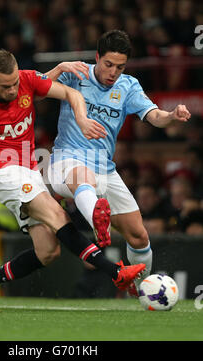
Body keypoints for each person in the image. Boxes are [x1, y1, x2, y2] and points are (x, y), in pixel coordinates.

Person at [0, 49, 145, 310]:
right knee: (59, 217)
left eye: (14, 84)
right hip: (3, 173)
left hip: (30, 171)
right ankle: (115, 273)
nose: (12, 90)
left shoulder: (26, 80)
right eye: (5, 86)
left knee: (48, 252)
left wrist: (81, 117)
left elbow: (71, 93)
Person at [46, 30, 191, 296]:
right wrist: (58, 68)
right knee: (82, 177)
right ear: (97, 58)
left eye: (120, 67)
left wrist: (171, 115)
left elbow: (154, 115)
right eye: (108, 64)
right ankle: (97, 221)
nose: (113, 72)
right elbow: (31, 89)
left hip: (105, 170)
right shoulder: (75, 73)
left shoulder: (128, 86)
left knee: (139, 236)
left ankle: (141, 289)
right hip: (66, 162)